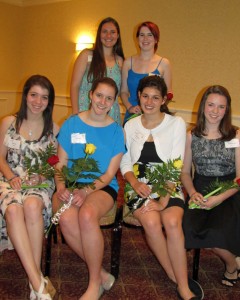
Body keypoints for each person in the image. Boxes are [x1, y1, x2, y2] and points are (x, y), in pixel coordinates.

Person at [120, 75, 203, 300]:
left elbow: (176, 165)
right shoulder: (130, 124)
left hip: (168, 183)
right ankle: (176, 278)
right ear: (138, 96)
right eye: (145, 96)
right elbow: (125, 160)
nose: (149, 101)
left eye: (156, 97)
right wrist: (134, 182)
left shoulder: (175, 123)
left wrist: (163, 201)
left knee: (172, 221)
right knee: (151, 222)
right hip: (139, 185)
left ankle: (183, 285)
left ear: (164, 99)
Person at [53, 77, 125, 300]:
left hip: (101, 187)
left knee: (86, 215)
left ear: (113, 103)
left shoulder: (115, 131)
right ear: (90, 95)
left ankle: (94, 283)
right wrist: (61, 186)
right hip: (71, 183)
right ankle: (102, 274)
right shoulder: (72, 123)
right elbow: (60, 163)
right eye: (99, 95)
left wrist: (86, 191)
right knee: (64, 218)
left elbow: (109, 174)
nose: (103, 101)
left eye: (109, 98)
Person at [0, 75, 59, 299]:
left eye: (44, 97)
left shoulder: (54, 127)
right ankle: (38, 282)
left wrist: (41, 175)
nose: (38, 101)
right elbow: (0, 158)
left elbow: (55, 162)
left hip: (39, 181)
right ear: (25, 95)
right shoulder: (9, 122)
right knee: (14, 209)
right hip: (9, 180)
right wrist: (10, 177)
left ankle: (33, 279)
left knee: (33, 206)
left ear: (49, 101)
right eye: (33, 95)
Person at [181, 85, 240, 287]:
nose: (215, 111)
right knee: (190, 229)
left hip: (230, 191)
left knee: (217, 233)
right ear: (203, 106)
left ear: (227, 110)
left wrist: (220, 197)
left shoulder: (235, 136)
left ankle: (231, 266)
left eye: (221, 107)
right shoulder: (192, 136)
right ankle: (235, 260)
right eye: (211, 105)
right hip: (200, 189)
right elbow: (184, 172)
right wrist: (192, 192)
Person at [70, 17, 124, 124]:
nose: (108, 35)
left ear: (117, 36)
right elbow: (74, 85)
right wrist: (76, 112)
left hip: (110, 115)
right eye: (104, 32)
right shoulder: (87, 55)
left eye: (112, 32)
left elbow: (122, 91)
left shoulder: (120, 61)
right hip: (85, 112)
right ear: (99, 34)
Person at [120, 21, 173, 124]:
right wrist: (130, 107)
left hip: (154, 117)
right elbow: (123, 92)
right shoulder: (127, 63)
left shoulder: (164, 63)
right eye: (142, 35)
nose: (145, 39)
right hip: (132, 116)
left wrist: (152, 108)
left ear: (156, 39)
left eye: (150, 35)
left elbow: (168, 94)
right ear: (137, 38)